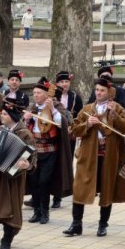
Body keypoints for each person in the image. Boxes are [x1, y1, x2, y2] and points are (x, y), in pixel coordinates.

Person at [63, 78, 125, 238]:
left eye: (102, 90)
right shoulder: (87, 109)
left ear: (109, 93)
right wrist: (87, 125)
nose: (98, 93)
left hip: (109, 156)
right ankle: (76, 224)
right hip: (88, 156)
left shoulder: (117, 108)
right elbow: (74, 130)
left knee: (107, 188)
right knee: (80, 188)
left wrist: (114, 115)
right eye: (97, 90)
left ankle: (102, 224)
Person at [0, 96, 36, 249]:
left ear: (12, 116)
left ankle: (7, 239)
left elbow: (31, 156)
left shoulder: (24, 134)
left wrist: (26, 165)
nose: (1, 116)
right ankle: (10, 231)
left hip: (14, 177)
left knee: (12, 206)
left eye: (4, 114)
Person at [24, 77, 73, 224]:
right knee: (34, 182)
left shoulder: (56, 106)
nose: (35, 95)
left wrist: (52, 110)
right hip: (34, 151)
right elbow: (24, 130)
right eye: (34, 93)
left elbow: (62, 123)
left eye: (38, 93)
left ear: (46, 95)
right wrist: (26, 119)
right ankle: (37, 212)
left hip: (49, 150)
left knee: (44, 181)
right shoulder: (32, 109)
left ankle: (45, 213)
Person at [52, 70, 83, 208]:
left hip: (69, 134)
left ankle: (60, 195)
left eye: (66, 82)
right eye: (61, 82)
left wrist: (74, 127)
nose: (64, 84)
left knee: (66, 162)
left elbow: (80, 115)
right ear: (57, 83)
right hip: (53, 133)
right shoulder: (52, 96)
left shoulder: (75, 97)